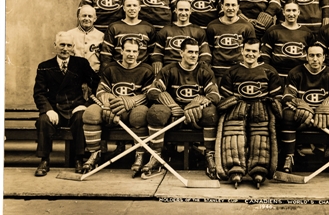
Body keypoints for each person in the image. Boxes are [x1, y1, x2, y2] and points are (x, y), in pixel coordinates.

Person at [144, 37, 221, 179]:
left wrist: (200, 102)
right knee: (156, 113)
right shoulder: (169, 70)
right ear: (181, 53)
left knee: (211, 113)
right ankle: (156, 155)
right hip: (174, 115)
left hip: (195, 115)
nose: (193, 55)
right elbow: (152, 92)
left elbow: (215, 95)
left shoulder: (204, 70)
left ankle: (210, 155)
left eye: (196, 53)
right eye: (190, 52)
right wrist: (171, 105)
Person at [82, 38, 155, 176]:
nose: (131, 54)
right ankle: (95, 153)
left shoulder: (146, 70)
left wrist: (130, 101)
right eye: (128, 50)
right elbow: (101, 91)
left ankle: (139, 155)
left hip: (133, 109)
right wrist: (109, 105)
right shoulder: (111, 68)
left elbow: (148, 95)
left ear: (139, 53)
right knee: (90, 114)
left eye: (134, 51)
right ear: (121, 51)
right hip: (111, 107)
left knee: (140, 116)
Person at [216, 38, 283, 188]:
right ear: (242, 50)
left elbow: (276, 98)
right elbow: (224, 98)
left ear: (260, 53)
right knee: (233, 132)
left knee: (261, 134)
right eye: (247, 50)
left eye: (254, 51)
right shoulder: (232, 72)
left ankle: (259, 168)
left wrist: (271, 103)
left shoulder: (269, 71)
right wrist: (232, 103)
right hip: (237, 110)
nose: (250, 54)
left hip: (260, 110)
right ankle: (235, 168)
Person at [280, 42, 329, 180]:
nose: (315, 59)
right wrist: (299, 103)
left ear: (324, 57)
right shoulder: (296, 73)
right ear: (306, 57)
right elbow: (287, 97)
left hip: (325, 117)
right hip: (303, 117)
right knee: (286, 115)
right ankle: (289, 157)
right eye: (311, 55)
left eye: (318, 55)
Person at [33, 32, 100, 177]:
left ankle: (78, 159)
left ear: (73, 47)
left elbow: (97, 84)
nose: (65, 48)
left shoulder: (80, 64)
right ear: (55, 45)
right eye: (62, 44)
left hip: (76, 106)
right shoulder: (45, 66)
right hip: (55, 109)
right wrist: (48, 110)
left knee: (82, 118)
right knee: (43, 121)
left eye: (69, 45)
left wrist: (86, 104)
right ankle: (44, 160)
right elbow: (39, 93)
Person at [150, 0, 211, 75]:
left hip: (191, 69)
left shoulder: (198, 31)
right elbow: (157, 53)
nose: (183, 13)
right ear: (175, 10)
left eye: (186, 10)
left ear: (190, 11)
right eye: (180, 9)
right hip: (170, 69)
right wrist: (157, 63)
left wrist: (199, 69)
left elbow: (206, 55)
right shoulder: (165, 30)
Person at [205, 0, 256, 81]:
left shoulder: (247, 26)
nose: (230, 8)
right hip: (218, 71)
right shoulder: (212, 26)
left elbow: (252, 49)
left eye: (233, 5)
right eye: (227, 5)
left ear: (238, 7)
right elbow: (209, 48)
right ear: (222, 7)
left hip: (239, 70)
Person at [260, 1, 313, 84]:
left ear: (298, 12)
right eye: (288, 10)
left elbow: (312, 55)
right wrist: (269, 72)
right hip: (278, 75)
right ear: (283, 12)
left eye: (294, 10)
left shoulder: (307, 33)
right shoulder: (273, 31)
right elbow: (265, 54)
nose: (291, 14)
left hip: (300, 76)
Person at [100, 0, 156, 69]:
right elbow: (106, 54)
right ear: (123, 8)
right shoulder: (114, 27)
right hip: (118, 69)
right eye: (128, 5)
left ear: (139, 8)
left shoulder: (148, 28)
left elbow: (152, 54)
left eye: (135, 5)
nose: (132, 8)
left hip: (141, 69)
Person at [65, 5, 104, 72]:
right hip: (74, 73)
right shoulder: (69, 34)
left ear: (95, 19)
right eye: (84, 15)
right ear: (79, 17)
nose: (86, 18)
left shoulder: (101, 36)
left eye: (90, 16)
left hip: (94, 74)